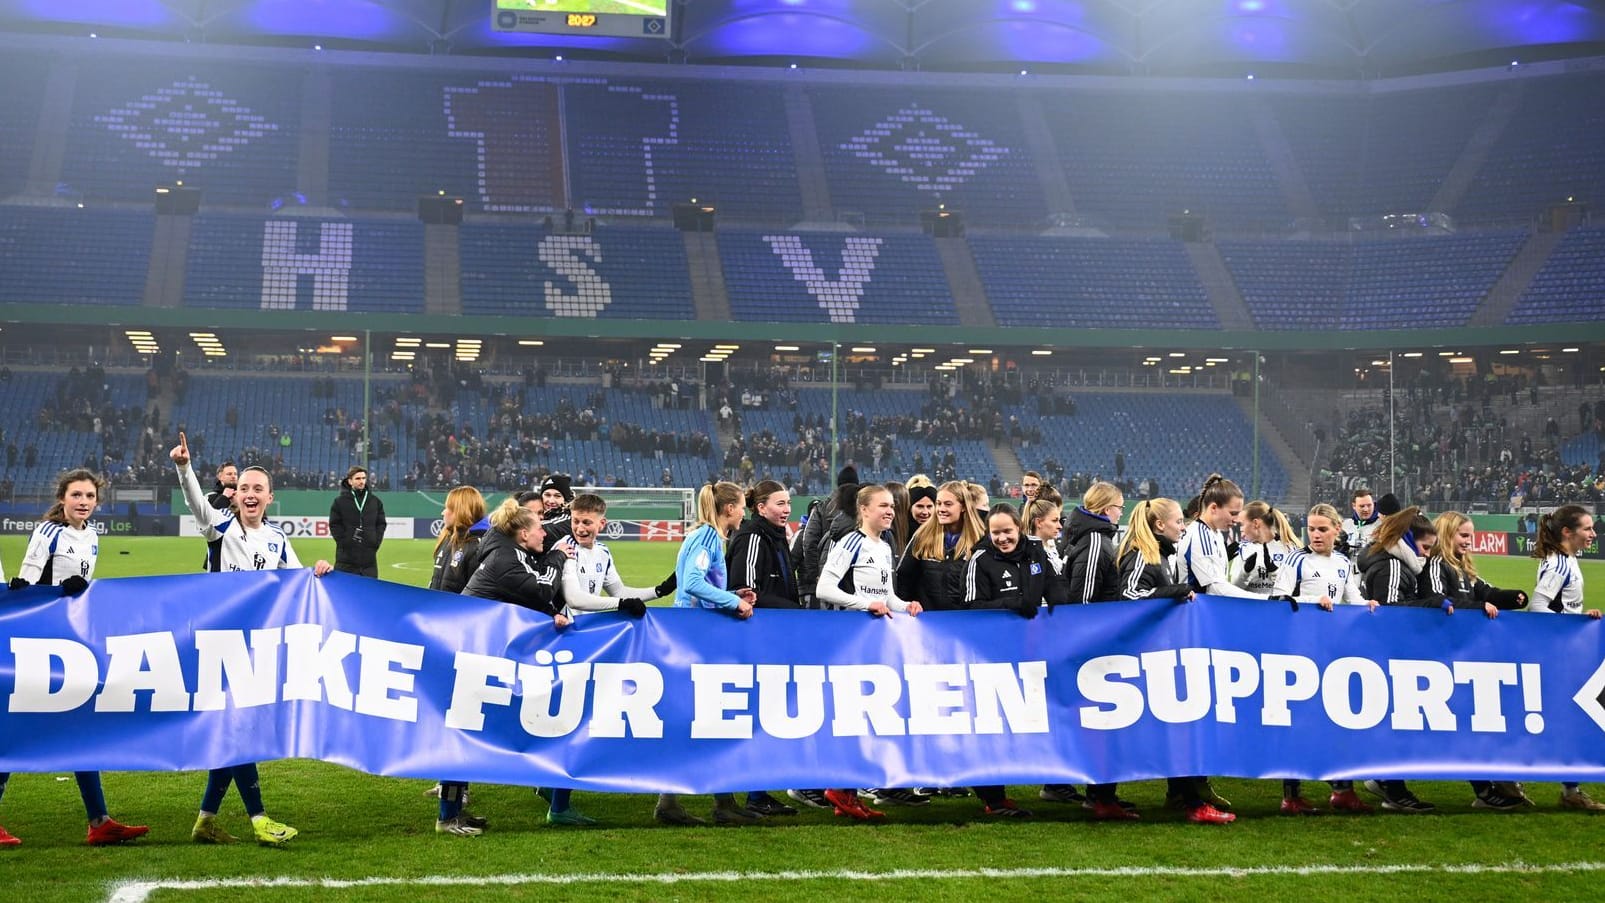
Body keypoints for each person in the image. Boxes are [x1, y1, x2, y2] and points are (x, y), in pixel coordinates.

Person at [172, 432, 331, 845]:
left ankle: (206, 821)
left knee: (235, 731)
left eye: (257, 488)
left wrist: (319, 568)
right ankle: (259, 819)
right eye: (243, 487)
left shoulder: (277, 538)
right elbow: (194, 503)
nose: (249, 493)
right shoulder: (219, 528)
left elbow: (301, 581)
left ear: (270, 497)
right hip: (220, 645)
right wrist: (184, 467)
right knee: (240, 731)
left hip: (256, 646)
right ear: (234, 493)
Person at [0, 469, 150, 847]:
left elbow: (81, 590)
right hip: (41, 643)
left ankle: (99, 821)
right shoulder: (47, 533)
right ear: (63, 498)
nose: (83, 502)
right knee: (16, 727)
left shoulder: (93, 536)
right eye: (76, 495)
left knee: (80, 726)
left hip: (71, 642)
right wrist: (57, 591)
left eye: (89, 496)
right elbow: (26, 591)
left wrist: (79, 592)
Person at [443, 498, 577, 834]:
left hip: (478, 650)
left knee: (471, 730)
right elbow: (542, 589)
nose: (543, 535)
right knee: (464, 733)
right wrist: (559, 557)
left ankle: (454, 812)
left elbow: (523, 596)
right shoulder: (506, 559)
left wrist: (551, 616)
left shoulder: (506, 552)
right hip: (473, 653)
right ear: (521, 534)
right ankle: (447, 817)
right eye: (538, 530)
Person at [1116, 498, 1234, 825]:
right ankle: (1193, 804)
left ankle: (1181, 796)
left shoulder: (1159, 555)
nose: (1183, 527)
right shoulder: (1143, 554)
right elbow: (1129, 595)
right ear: (1159, 526)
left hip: (1159, 654)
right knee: (1180, 727)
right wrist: (1176, 592)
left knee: (1179, 726)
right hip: (1148, 657)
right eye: (1179, 521)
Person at [815, 484, 924, 820]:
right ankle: (839, 789)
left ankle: (846, 793)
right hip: (850, 639)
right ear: (864, 509)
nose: (890, 511)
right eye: (882, 506)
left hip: (875, 639)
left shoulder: (886, 544)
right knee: (852, 714)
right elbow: (824, 588)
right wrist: (865, 604)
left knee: (867, 716)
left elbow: (887, 595)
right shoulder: (850, 542)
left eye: (892, 506)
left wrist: (906, 606)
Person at [658, 481, 760, 827]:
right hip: (693, 638)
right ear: (729, 508)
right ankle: (702, 802)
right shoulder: (706, 538)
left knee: (706, 717)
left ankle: (706, 801)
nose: (744, 512)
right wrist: (735, 602)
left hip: (695, 636)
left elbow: (702, 587)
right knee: (705, 716)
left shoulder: (707, 537)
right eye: (743, 506)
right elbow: (691, 583)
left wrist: (732, 592)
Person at [1268, 503, 1378, 815]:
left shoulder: (1344, 562)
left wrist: (1365, 603)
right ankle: (1291, 796)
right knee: (1299, 721)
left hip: (1334, 651)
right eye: (1311, 529)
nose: (1315, 535)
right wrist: (1312, 600)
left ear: (1336, 530)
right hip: (1300, 651)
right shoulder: (1296, 559)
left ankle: (1342, 791)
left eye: (1322, 529)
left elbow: (1352, 598)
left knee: (1337, 719)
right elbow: (1278, 599)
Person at [959, 504, 1065, 818]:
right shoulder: (980, 559)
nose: (1002, 538)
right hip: (991, 656)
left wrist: (1063, 605)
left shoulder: (1035, 552)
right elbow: (969, 607)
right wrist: (1009, 605)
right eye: (996, 533)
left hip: (1032, 652)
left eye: (1007, 531)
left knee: (1033, 719)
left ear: (1019, 528)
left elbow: (1053, 582)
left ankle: (1054, 784)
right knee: (992, 723)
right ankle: (993, 798)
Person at [1424, 511, 1532, 811]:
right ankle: (1388, 782)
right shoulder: (1437, 564)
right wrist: (1476, 606)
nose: (1469, 541)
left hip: (1466, 658)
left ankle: (1487, 788)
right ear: (1447, 535)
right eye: (1463, 535)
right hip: (1439, 659)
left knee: (1469, 723)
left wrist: (1516, 598)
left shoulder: (1465, 569)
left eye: (1470, 535)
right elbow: (1435, 600)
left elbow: (1490, 593)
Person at [1355, 502, 1443, 813]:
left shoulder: (1391, 562)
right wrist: (1431, 604)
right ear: (1406, 541)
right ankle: (1393, 788)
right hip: (1386, 657)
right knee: (1394, 722)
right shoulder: (1392, 566)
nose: (1427, 554)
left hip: (1379, 656)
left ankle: (1385, 780)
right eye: (1424, 546)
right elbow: (1389, 614)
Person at [724, 480, 805, 817]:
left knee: (768, 714)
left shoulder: (775, 535)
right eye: (779, 503)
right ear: (760, 507)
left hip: (776, 635)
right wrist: (796, 614)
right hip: (758, 638)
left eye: (788, 503)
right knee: (754, 714)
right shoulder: (754, 537)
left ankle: (759, 793)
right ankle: (751, 794)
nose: (786, 509)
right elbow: (745, 591)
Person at [1524, 505, 1605, 811]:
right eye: (1587, 528)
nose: (1593, 534)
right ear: (1567, 532)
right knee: (1559, 719)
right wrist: (1569, 626)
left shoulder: (1568, 558)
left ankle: (1570, 790)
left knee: (1567, 719)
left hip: (1565, 652)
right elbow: (1537, 607)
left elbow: (1562, 608)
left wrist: (1581, 617)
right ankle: (1511, 783)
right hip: (1554, 655)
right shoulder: (1558, 564)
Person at [896, 480, 985, 611]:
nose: (941, 509)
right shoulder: (922, 536)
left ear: (964, 507)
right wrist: (906, 609)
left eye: (948, 504)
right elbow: (904, 578)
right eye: (938, 504)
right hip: (927, 620)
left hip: (965, 620)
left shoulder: (980, 540)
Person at [1177, 475, 1264, 600]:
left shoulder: (1214, 533)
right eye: (1233, 513)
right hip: (1194, 614)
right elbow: (1215, 588)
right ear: (1213, 508)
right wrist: (1267, 599)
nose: (1236, 520)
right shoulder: (1199, 535)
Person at [796, 466, 859, 609]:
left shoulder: (822, 507)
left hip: (827, 576)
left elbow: (809, 541)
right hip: (855, 579)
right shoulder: (863, 507)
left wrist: (815, 575)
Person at [428, 487, 488, 595]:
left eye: (447, 508)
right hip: (438, 609)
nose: (443, 512)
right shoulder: (447, 539)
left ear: (459, 511)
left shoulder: (478, 546)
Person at [329, 465, 386, 577]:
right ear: (350, 481)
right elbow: (334, 525)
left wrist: (375, 541)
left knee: (369, 593)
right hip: (346, 560)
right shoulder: (339, 502)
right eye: (358, 478)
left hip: (369, 562)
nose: (362, 481)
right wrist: (345, 542)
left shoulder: (375, 502)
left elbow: (381, 524)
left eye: (364, 478)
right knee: (344, 593)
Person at [1233, 501, 1296, 595]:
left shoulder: (1289, 549)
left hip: (1278, 608)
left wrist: (1274, 572)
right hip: (1251, 608)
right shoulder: (1243, 550)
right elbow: (1233, 590)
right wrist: (1244, 573)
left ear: (1255, 523)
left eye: (1242, 524)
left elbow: (1294, 590)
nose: (1241, 529)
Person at [1340, 488, 1379, 555]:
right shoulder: (1345, 526)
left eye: (1369, 505)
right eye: (1362, 506)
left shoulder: (1382, 525)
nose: (1366, 509)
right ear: (1354, 506)